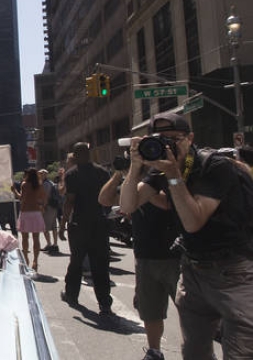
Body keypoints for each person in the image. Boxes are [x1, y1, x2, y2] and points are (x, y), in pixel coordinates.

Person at [120, 113, 253, 359]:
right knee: (194, 353)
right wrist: (136, 166)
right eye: (161, 140)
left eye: (175, 139)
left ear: (190, 138)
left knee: (240, 353)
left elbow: (193, 222)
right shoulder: (161, 170)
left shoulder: (213, 166)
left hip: (234, 272)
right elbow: (127, 205)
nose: (168, 146)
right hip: (193, 271)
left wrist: (173, 174)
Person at [99, 155, 179, 360]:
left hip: (175, 255)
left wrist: (139, 184)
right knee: (150, 310)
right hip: (145, 255)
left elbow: (164, 203)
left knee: (190, 310)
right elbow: (105, 199)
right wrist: (122, 173)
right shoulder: (130, 182)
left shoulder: (160, 176)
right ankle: (154, 351)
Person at [60, 141, 113, 316]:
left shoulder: (71, 174)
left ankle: (71, 295)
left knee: (76, 262)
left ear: (74, 156)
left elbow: (69, 201)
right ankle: (104, 303)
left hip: (79, 224)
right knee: (100, 264)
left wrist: (62, 224)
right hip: (99, 223)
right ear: (89, 154)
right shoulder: (103, 172)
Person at [11, 168, 46, 271]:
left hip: (25, 213)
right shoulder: (39, 185)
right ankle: (35, 260)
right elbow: (44, 197)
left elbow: (21, 198)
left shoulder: (25, 184)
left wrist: (14, 191)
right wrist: (41, 205)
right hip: (36, 213)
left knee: (25, 238)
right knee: (36, 239)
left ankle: (26, 257)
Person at [39, 169, 60, 253]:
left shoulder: (46, 184)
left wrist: (43, 207)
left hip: (48, 207)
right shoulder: (50, 183)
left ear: (45, 175)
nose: (39, 175)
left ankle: (50, 244)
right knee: (53, 226)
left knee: (45, 227)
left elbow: (46, 196)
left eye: (41, 174)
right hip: (53, 207)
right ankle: (54, 245)